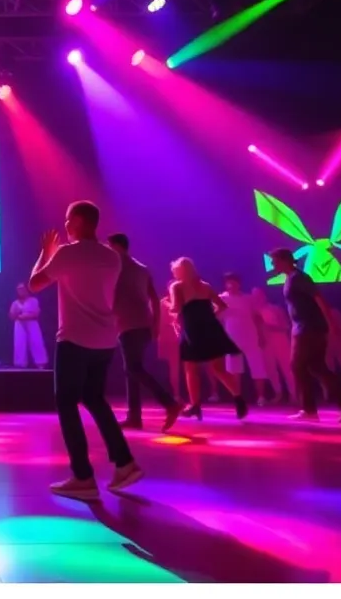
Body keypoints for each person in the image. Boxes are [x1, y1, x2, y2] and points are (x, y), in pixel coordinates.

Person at [29, 201, 142, 500]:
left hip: (74, 339)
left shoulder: (68, 253)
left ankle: (83, 477)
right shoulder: (111, 256)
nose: (65, 225)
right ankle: (125, 462)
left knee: (66, 403)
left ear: (78, 221)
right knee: (94, 398)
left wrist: (46, 252)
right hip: (105, 340)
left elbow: (34, 284)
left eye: (68, 220)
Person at [269, 248, 341, 422]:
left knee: (297, 366)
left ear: (284, 260)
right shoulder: (290, 278)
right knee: (316, 367)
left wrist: (332, 325)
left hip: (309, 328)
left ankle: (312, 410)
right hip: (303, 328)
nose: (272, 265)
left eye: (274, 261)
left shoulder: (299, 278)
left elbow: (319, 299)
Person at [107, 234, 179, 431]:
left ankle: (169, 403)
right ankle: (134, 417)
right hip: (143, 324)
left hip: (128, 324)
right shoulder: (142, 268)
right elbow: (155, 299)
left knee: (133, 369)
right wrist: (155, 325)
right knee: (132, 370)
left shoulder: (114, 265)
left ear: (115, 246)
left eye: (109, 246)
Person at [168, 258, 247, 421]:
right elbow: (222, 306)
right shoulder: (205, 285)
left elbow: (176, 308)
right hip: (211, 329)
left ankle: (195, 406)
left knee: (191, 368)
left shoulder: (177, 286)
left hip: (192, 330)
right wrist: (210, 317)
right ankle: (239, 399)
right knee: (219, 369)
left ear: (179, 271)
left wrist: (165, 304)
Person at [219, 273, 274, 406]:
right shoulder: (220, 298)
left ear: (239, 283)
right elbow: (217, 319)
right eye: (229, 282)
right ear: (225, 284)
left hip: (251, 337)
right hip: (231, 338)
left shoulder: (248, 299)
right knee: (234, 369)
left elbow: (257, 318)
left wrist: (261, 335)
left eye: (234, 282)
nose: (232, 285)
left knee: (258, 367)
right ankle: (238, 398)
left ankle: (261, 397)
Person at [252, 287, 293, 404]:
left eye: (259, 295)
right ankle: (278, 393)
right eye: (255, 296)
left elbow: (286, 326)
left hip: (280, 339)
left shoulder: (275, 309)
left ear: (264, 296)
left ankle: (293, 393)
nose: (257, 298)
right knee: (270, 369)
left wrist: (271, 328)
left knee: (287, 367)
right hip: (265, 342)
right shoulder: (254, 312)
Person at [10, 282, 48, 368]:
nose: (21, 291)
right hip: (19, 325)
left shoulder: (33, 300)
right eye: (19, 289)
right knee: (19, 343)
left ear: (26, 290)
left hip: (32, 323)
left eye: (22, 289)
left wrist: (24, 316)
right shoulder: (15, 303)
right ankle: (20, 364)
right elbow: (11, 315)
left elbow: (36, 314)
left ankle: (40, 363)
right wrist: (17, 315)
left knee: (36, 341)